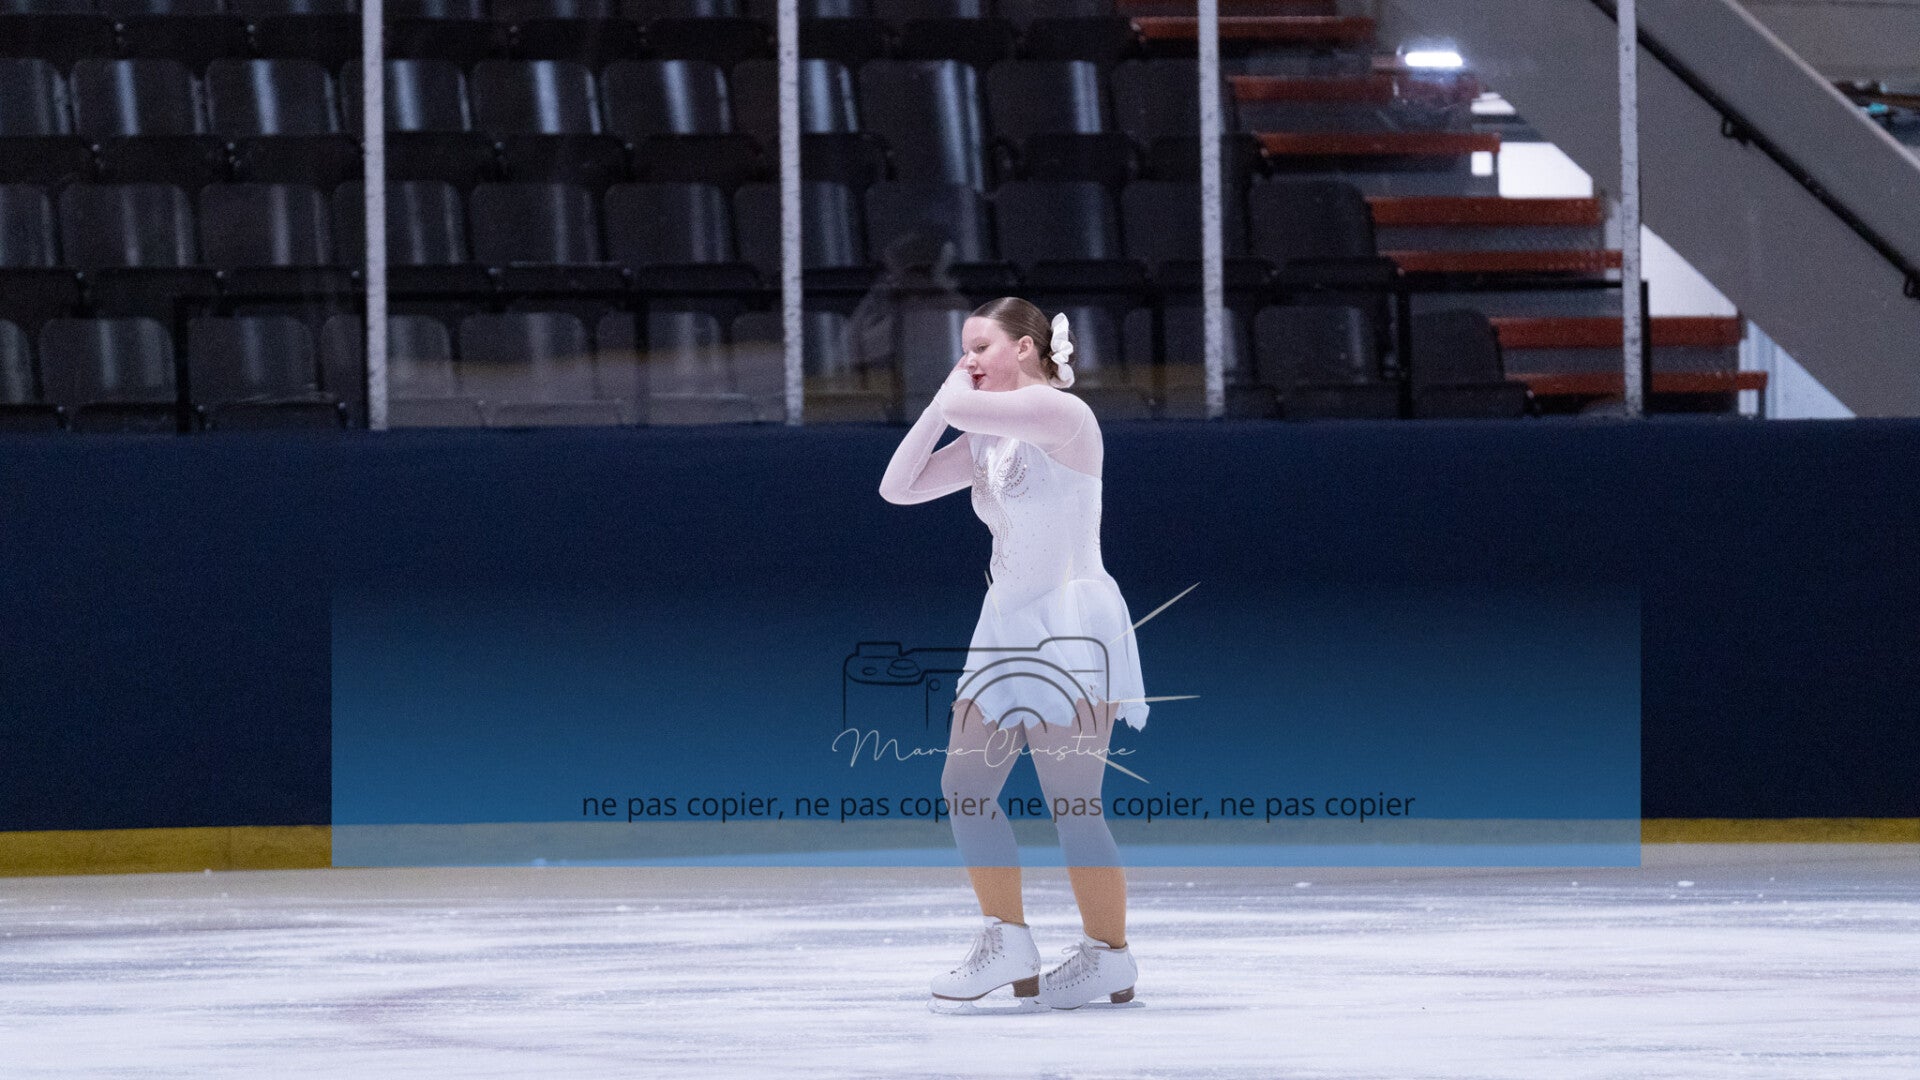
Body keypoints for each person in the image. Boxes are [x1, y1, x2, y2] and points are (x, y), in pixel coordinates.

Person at [878, 297, 1149, 1012]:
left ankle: (1109, 956)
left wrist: (953, 396)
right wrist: (944, 405)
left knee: (1073, 802)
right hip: (1003, 624)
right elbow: (897, 488)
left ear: (1026, 348)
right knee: (965, 787)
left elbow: (961, 407)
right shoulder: (984, 435)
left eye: (981, 347)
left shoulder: (1062, 414)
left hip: (1069, 620)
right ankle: (1008, 942)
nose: (967, 360)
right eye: (963, 349)